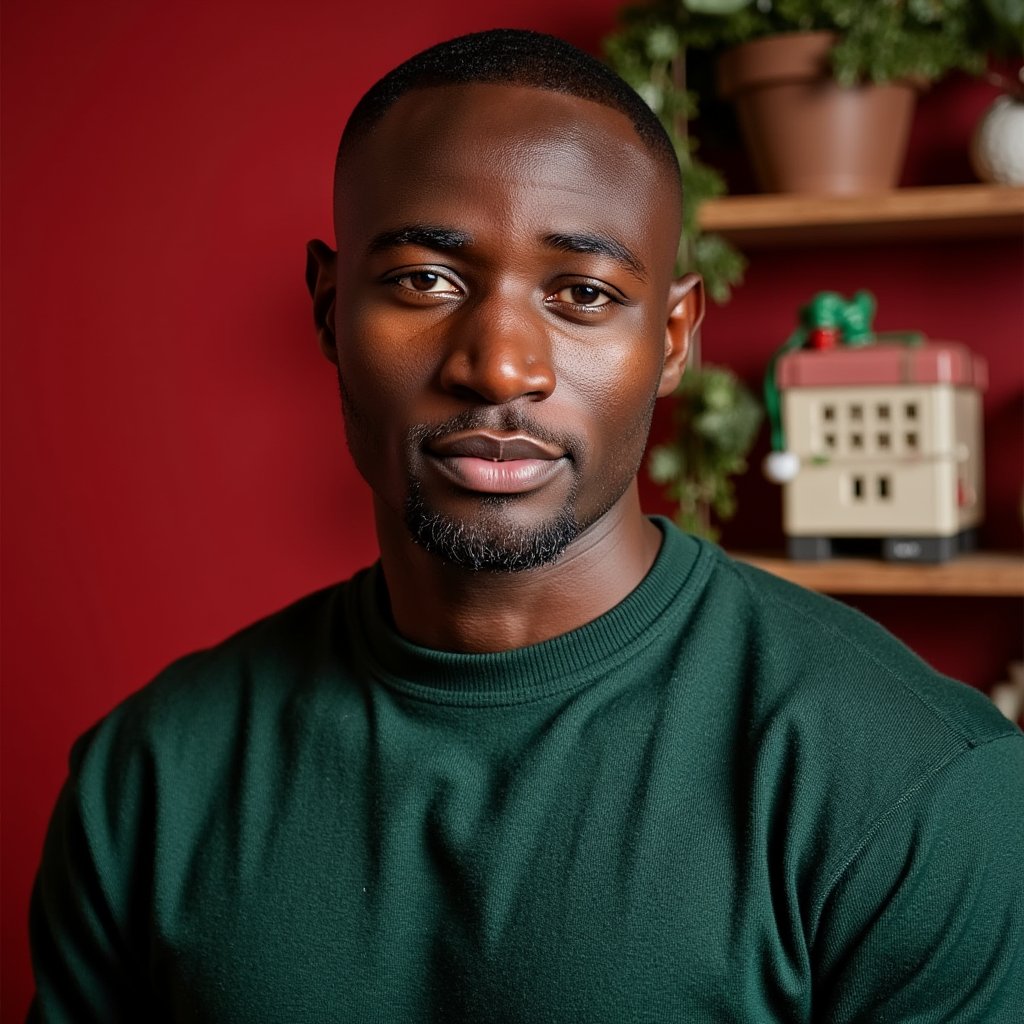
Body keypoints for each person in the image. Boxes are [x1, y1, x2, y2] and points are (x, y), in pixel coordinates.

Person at [28, 28, 1023, 1023]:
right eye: (425, 280)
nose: (500, 368)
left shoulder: (918, 787)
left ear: (671, 340)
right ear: (330, 310)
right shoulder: (151, 775)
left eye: (583, 295)